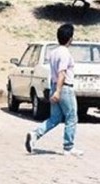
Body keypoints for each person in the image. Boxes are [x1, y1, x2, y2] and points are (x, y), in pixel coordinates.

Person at [25, 23, 82, 157]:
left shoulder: (53, 52)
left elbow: (54, 72)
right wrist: (58, 91)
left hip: (54, 85)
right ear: (70, 38)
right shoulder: (65, 53)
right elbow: (62, 73)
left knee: (55, 118)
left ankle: (35, 134)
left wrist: (54, 89)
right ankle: (68, 147)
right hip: (64, 88)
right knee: (72, 116)